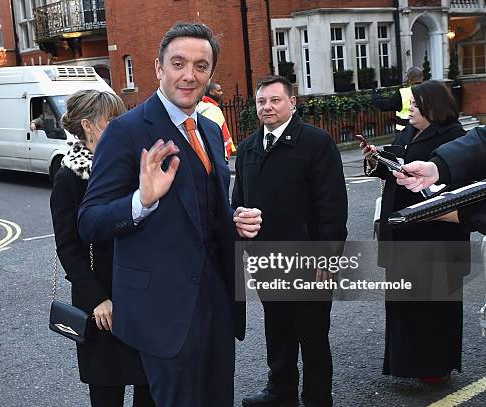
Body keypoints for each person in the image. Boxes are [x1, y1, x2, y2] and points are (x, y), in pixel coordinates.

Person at [77, 22, 262, 407]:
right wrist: (141, 202)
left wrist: (233, 218)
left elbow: (203, 211)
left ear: (211, 74)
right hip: (163, 311)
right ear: (159, 68)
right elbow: (89, 221)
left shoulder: (210, 130)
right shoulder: (126, 131)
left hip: (216, 301)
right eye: (178, 63)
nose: (189, 75)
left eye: (200, 65)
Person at [234, 75, 348, 407]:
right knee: (278, 332)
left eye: (275, 100)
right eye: (261, 102)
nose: (267, 107)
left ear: (292, 103)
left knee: (312, 337)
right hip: (267, 260)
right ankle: (279, 391)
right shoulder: (247, 149)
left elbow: (332, 207)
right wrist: (237, 220)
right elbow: (236, 201)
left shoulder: (316, 143)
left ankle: (316, 398)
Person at [49, 90, 154, 407]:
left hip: (141, 293)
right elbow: (68, 249)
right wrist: (98, 299)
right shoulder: (70, 178)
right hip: (102, 301)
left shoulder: (133, 165)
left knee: (150, 386)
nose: (122, 124)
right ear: (89, 126)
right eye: (113, 119)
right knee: (107, 390)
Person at [362, 80, 470, 383]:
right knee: (404, 303)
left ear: (433, 107)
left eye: (415, 105)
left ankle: (435, 367)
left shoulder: (454, 138)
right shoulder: (407, 132)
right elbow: (396, 167)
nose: (409, 110)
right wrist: (376, 160)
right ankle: (406, 364)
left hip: (437, 239)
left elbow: (457, 188)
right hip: (402, 233)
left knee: (434, 306)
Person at [393, 126, 485, 233]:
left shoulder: (452, 132)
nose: (411, 109)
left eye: (417, 107)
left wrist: (467, 213)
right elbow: (482, 142)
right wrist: (438, 167)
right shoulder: (406, 132)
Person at [371, 67, 423, 132]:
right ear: (422, 78)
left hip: (405, 134)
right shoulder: (430, 91)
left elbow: (384, 105)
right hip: (425, 133)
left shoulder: (403, 92)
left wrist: (375, 95)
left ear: (408, 79)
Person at [196, 82, 236, 159]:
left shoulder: (202, 106)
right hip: (217, 154)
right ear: (211, 92)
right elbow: (214, 133)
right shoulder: (211, 109)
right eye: (219, 90)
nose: (221, 93)